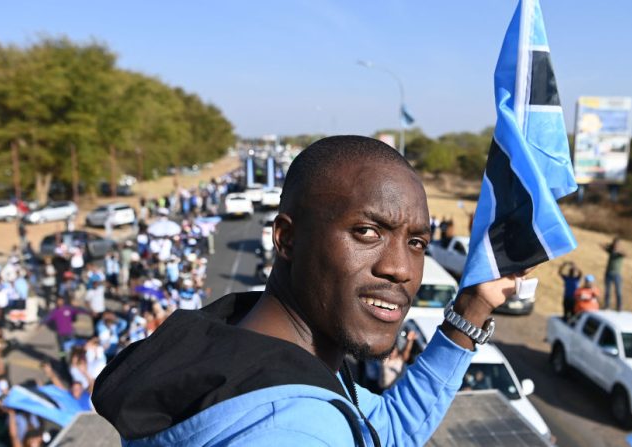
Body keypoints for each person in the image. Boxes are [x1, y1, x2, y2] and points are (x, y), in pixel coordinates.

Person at [93, 136, 523, 446]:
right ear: (286, 239)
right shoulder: (293, 428)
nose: (399, 269)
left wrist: (473, 306)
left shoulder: (250, 345)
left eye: (416, 243)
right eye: (367, 231)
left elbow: (385, 432)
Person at [602, 237, 626, 311]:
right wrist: (609, 245)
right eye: (614, 243)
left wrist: (617, 249)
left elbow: (625, 254)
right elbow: (602, 246)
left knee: (618, 291)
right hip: (608, 273)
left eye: (617, 244)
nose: (615, 245)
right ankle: (607, 306)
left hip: (617, 274)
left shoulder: (620, 253)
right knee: (607, 291)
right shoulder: (611, 251)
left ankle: (619, 307)